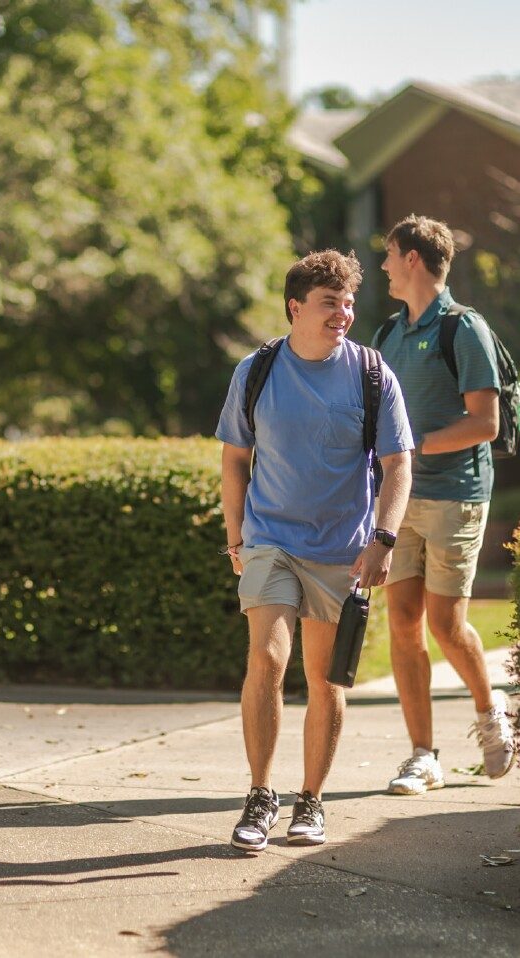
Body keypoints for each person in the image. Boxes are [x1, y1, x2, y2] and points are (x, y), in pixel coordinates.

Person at [216, 250, 413, 850]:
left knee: (326, 680)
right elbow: (234, 459)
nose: (344, 313)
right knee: (267, 660)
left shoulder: (372, 373)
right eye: (331, 302)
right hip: (271, 540)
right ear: (296, 306)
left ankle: (311, 801)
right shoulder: (256, 370)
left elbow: (398, 463)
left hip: (341, 549)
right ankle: (260, 796)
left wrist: (383, 539)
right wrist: (236, 539)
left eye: (349, 303)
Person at [375, 215, 515, 793]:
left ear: (413, 258)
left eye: (388, 254)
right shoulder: (386, 335)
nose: (383, 266)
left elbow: (486, 422)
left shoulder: (465, 328)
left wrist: (412, 446)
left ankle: (489, 711)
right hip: (398, 499)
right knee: (402, 623)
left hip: (455, 495)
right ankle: (421, 756)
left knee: (446, 623)